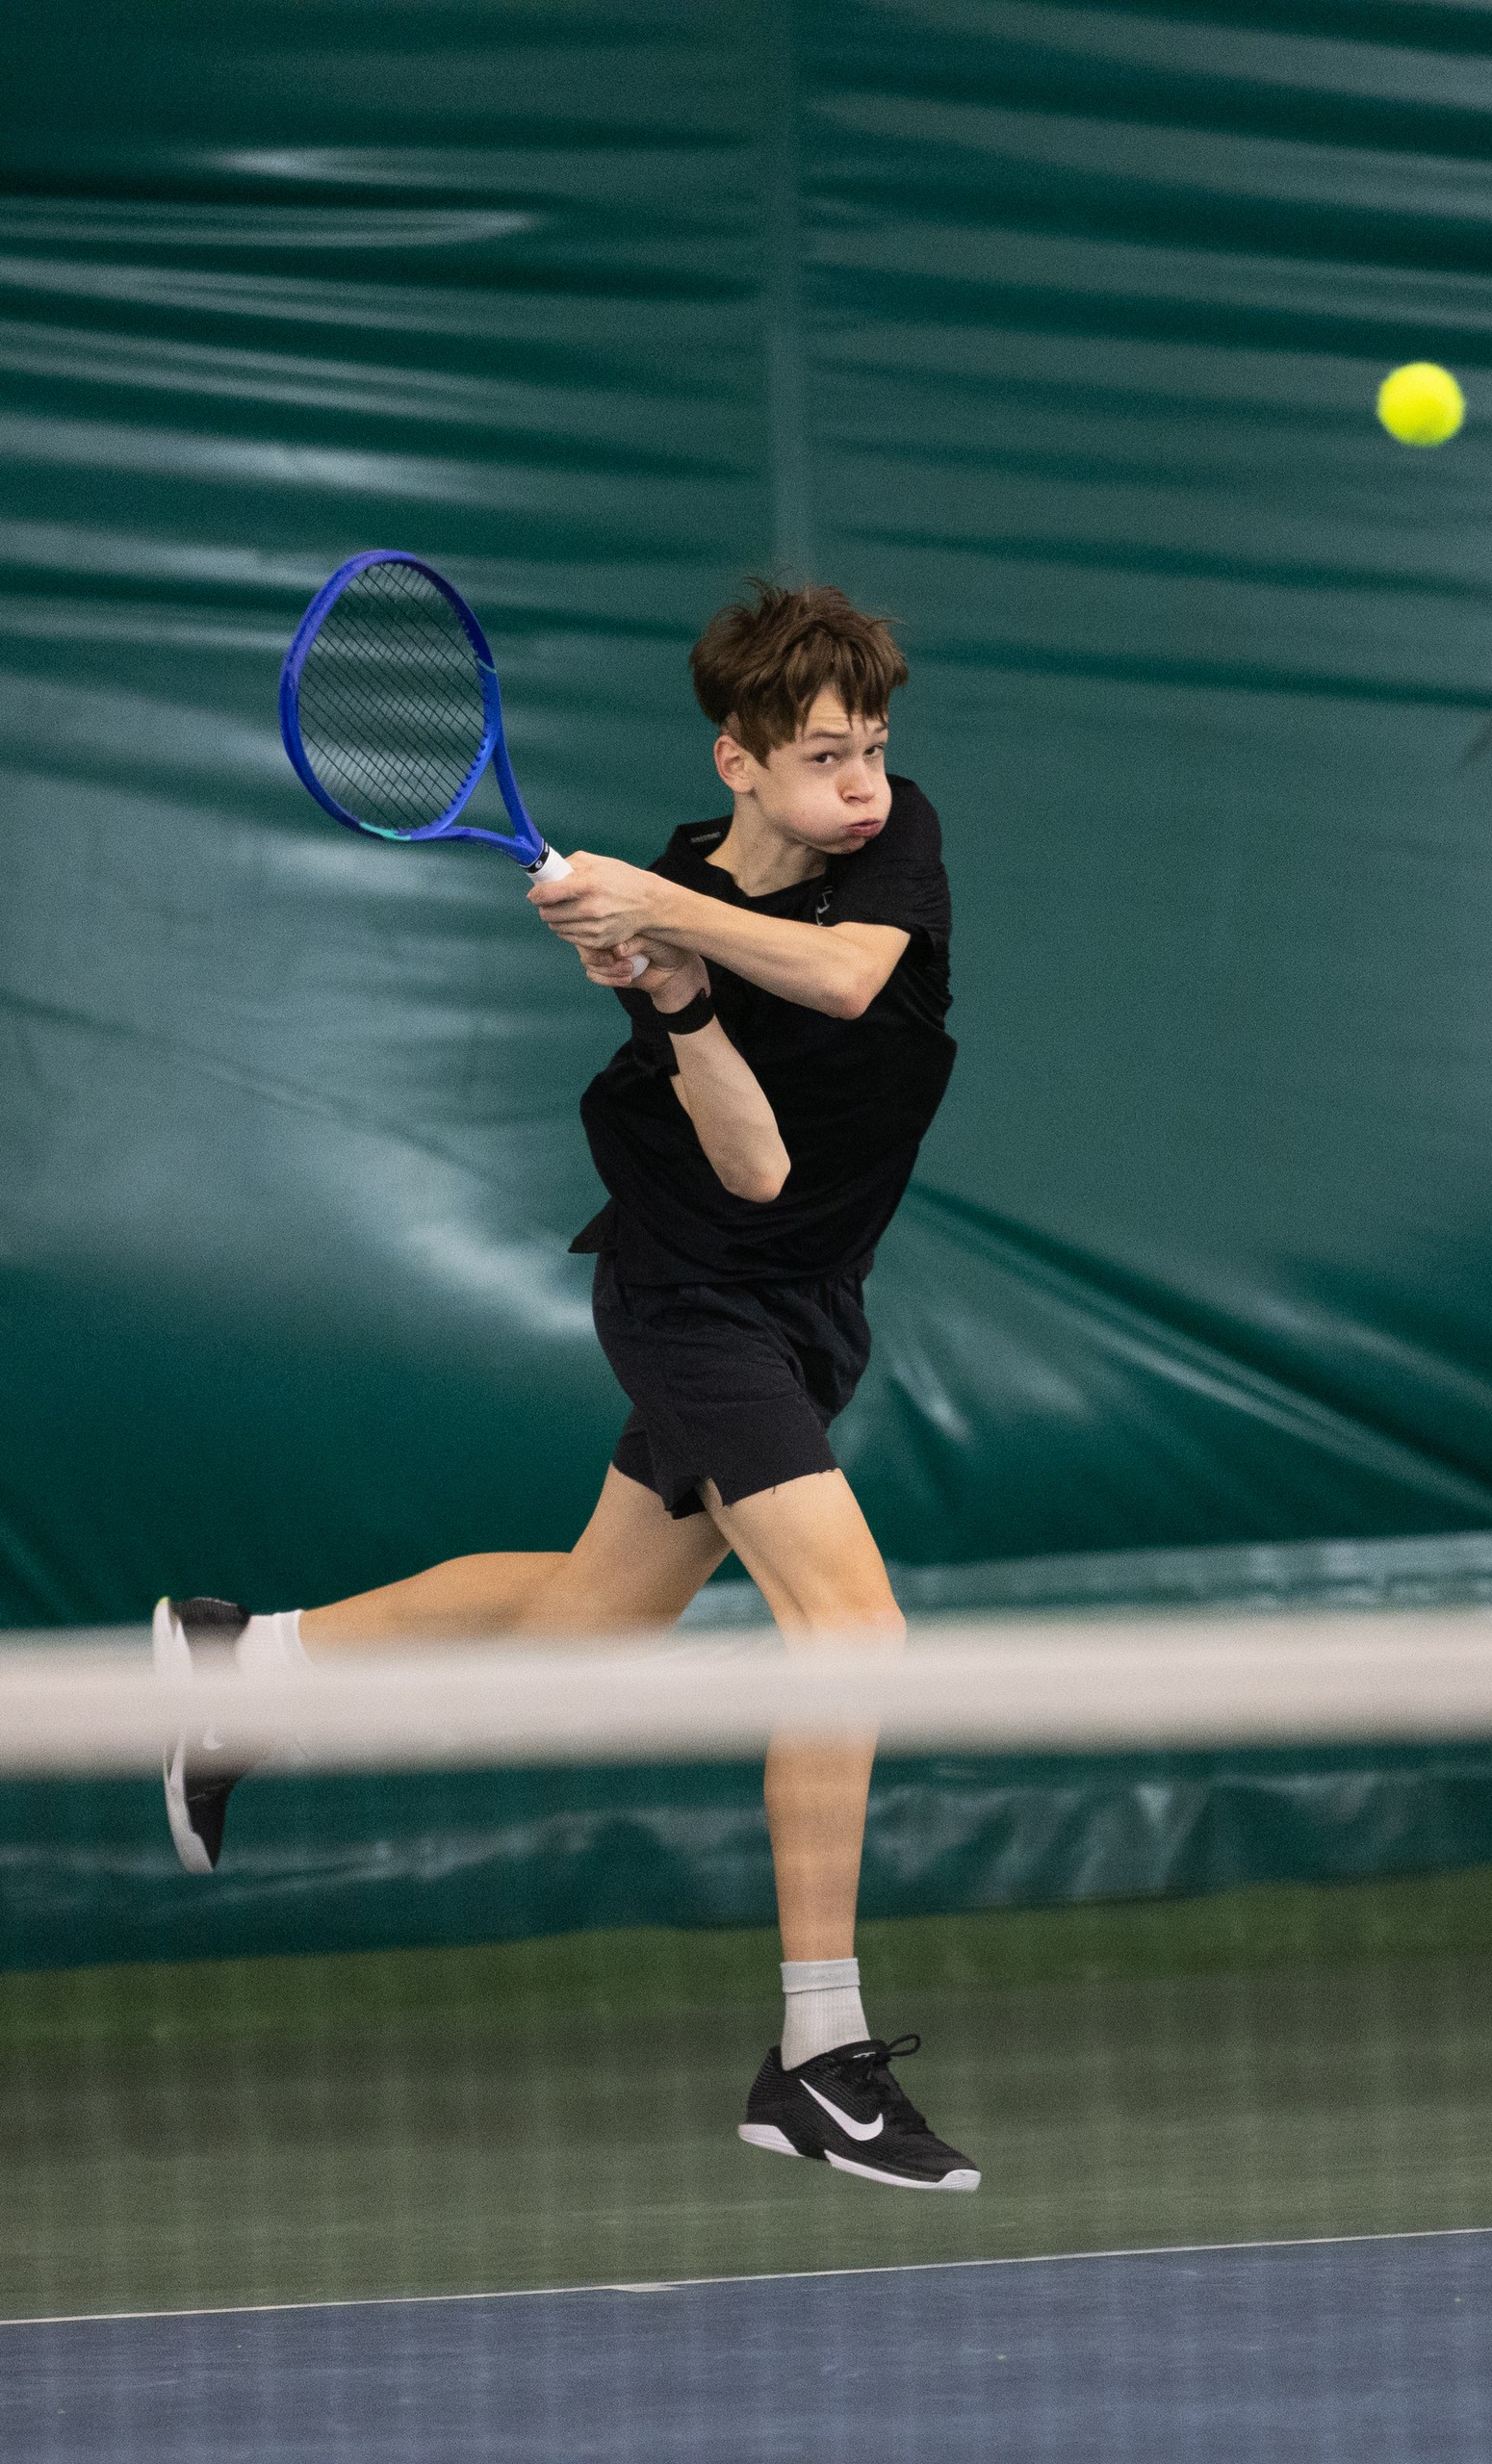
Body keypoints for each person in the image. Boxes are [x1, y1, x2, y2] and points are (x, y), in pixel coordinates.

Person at [155, 579, 978, 2193]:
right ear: (738, 762)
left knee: (593, 1622)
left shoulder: (889, 850)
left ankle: (246, 1664)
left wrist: (666, 932)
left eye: (873, 747)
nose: (862, 783)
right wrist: (661, 983)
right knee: (853, 1631)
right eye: (824, 756)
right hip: (691, 1297)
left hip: (809, 1297)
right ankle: (817, 2057)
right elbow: (735, 1162)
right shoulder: (665, 894)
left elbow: (840, 997)